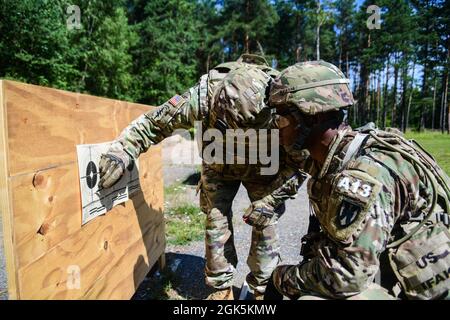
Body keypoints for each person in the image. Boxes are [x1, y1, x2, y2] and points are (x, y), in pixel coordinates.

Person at [98, 54, 303, 300]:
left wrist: (270, 201)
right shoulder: (202, 95)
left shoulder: (284, 103)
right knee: (216, 220)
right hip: (218, 162)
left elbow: (301, 161)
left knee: (265, 221)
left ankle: (262, 289)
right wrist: (123, 150)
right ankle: (220, 287)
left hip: (263, 164)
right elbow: (155, 123)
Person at [264, 60, 450, 300]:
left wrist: (281, 278)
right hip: (404, 274)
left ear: (310, 118)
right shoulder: (340, 154)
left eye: (280, 117)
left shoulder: (363, 176)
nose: (275, 127)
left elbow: (347, 277)